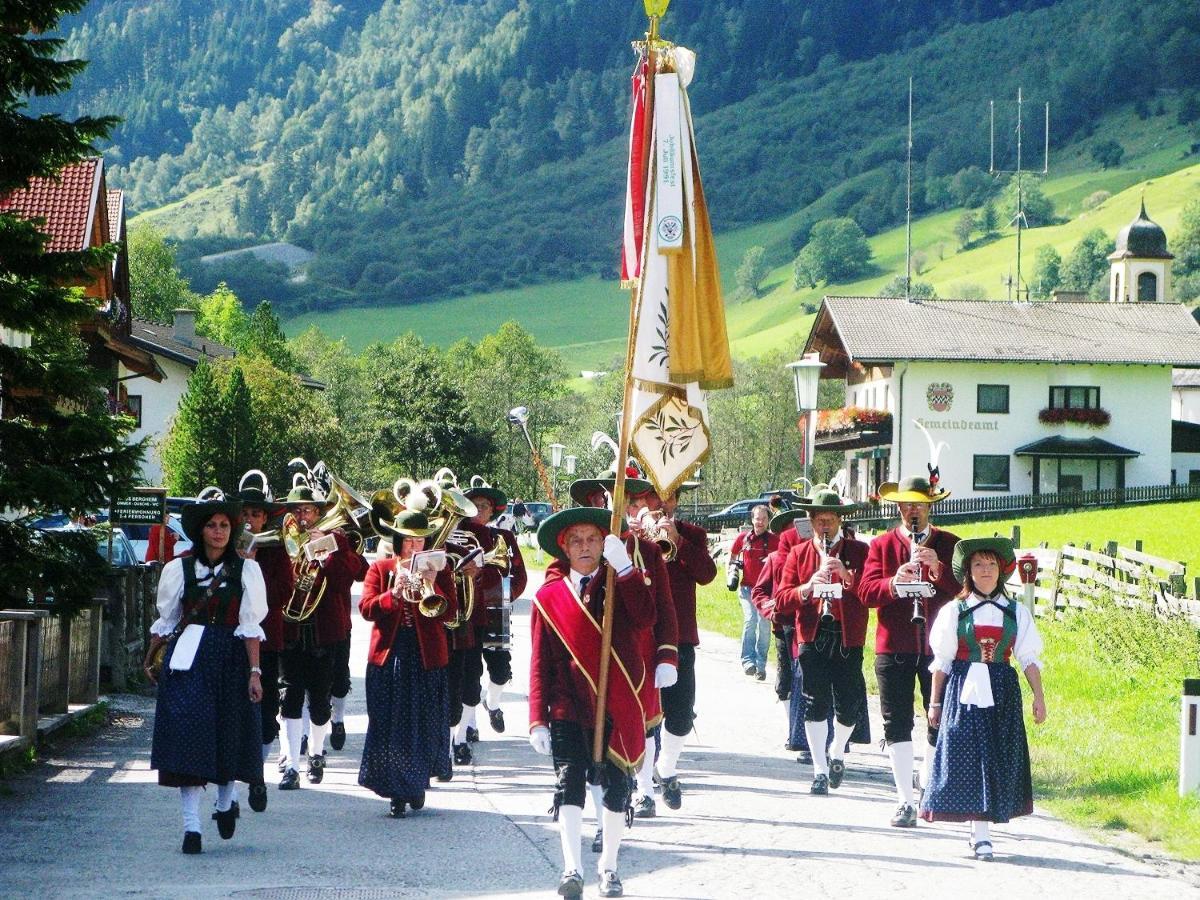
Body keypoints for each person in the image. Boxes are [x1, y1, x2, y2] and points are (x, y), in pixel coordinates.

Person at [528, 506, 656, 899]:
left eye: (593, 539)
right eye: (576, 541)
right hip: (568, 706)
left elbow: (647, 617)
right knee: (569, 785)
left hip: (616, 703)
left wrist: (627, 571)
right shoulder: (549, 597)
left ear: (605, 544)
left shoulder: (620, 583)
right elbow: (539, 663)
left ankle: (610, 868)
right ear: (564, 548)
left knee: (617, 787)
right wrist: (537, 718)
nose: (585, 547)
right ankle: (572, 868)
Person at [142, 495, 267, 854]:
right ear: (200, 530)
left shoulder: (247, 570)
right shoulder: (178, 569)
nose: (218, 531)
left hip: (230, 657)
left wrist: (255, 672)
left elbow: (251, 625)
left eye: (225, 525)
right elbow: (165, 622)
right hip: (188, 659)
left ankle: (226, 803)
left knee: (229, 732)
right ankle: (191, 827)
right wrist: (153, 658)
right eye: (212, 525)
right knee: (188, 738)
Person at [921, 537, 1046, 860]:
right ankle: (980, 834)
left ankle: (983, 829)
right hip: (964, 688)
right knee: (969, 756)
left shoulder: (1016, 612)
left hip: (1002, 687)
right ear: (969, 572)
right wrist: (935, 703)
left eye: (991, 564)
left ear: (1001, 571)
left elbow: (1028, 658)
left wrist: (1039, 698)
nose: (986, 571)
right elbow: (943, 661)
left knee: (995, 756)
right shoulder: (954, 611)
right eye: (978, 565)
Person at [570, 467, 677, 838]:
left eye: (627, 502)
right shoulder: (581, 548)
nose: (620, 509)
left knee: (640, 729)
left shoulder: (647, 551)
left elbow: (663, 609)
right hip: (589, 659)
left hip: (638, 660)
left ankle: (639, 792)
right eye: (610, 500)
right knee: (593, 736)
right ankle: (604, 812)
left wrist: (667, 655)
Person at [858, 475, 960, 828]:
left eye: (919, 504)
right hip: (894, 646)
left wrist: (938, 570)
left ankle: (927, 783)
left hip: (940, 646)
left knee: (938, 719)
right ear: (898, 508)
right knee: (896, 723)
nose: (912, 511)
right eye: (906, 505)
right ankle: (904, 801)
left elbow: (966, 591)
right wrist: (893, 582)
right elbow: (866, 592)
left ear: (930, 507)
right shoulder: (882, 545)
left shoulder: (949, 543)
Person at [358, 506, 458, 818]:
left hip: (426, 656)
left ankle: (416, 783)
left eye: (421, 541)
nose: (415, 547)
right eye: (409, 542)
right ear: (399, 541)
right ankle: (396, 791)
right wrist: (394, 593)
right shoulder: (381, 569)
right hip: (391, 655)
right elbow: (366, 609)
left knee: (423, 723)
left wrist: (435, 583)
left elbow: (451, 613)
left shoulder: (440, 568)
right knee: (391, 724)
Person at [774, 486, 870, 795]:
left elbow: (870, 593)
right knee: (814, 703)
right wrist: (807, 588)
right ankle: (818, 770)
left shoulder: (859, 552)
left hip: (848, 635)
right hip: (812, 635)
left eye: (830, 520)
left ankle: (838, 752)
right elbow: (781, 598)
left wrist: (847, 575)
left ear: (840, 521)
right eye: (820, 520)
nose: (825, 526)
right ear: (811, 521)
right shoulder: (798, 553)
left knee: (849, 705)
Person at [629, 484, 716, 812]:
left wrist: (677, 542)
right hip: (640, 635)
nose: (661, 504)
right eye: (654, 497)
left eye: (669, 497)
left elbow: (707, 574)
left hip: (679, 636)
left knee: (680, 716)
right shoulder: (631, 535)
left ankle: (666, 768)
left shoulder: (692, 534)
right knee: (644, 716)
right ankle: (644, 788)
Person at [277, 485, 369, 790]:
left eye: (308, 511)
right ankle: (290, 764)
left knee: (319, 702)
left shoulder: (338, 540)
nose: (302, 517)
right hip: (291, 628)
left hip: (324, 630)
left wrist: (331, 551)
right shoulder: (283, 541)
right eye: (296, 511)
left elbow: (351, 577)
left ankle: (315, 754)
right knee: (289, 698)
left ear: (319, 513)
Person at [235, 482, 293, 813]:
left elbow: (283, 592)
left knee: (267, 711)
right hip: (230, 641)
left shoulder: (274, 549)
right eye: (244, 513)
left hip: (267, 641)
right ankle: (230, 782)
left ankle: (257, 774)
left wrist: (253, 566)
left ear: (263, 520)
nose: (249, 520)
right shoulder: (224, 545)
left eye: (255, 515)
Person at [459, 479, 528, 739]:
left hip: (495, 612)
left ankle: (494, 702)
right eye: (474, 505)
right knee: (470, 672)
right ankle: (470, 723)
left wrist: (508, 596)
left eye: (484, 506)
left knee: (501, 671)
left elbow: (519, 573)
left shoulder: (504, 537)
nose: (479, 510)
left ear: (492, 511)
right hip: (466, 613)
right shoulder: (456, 533)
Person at [729, 505, 777, 680]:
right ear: (752, 519)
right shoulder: (743, 538)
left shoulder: (774, 541)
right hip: (747, 588)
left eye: (764, 519)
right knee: (750, 620)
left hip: (766, 591)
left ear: (768, 520)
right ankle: (748, 661)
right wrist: (732, 572)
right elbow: (733, 556)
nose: (760, 522)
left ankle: (761, 666)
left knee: (764, 626)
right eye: (757, 518)